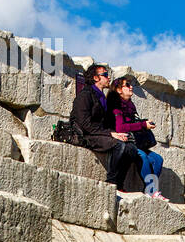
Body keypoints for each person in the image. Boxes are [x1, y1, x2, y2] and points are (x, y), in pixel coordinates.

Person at [71, 63, 145, 193]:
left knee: (131, 148)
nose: (108, 78)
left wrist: (114, 133)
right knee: (119, 145)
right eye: (105, 75)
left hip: (99, 133)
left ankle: (120, 184)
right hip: (86, 135)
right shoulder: (85, 95)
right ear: (95, 78)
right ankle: (111, 181)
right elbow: (84, 124)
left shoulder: (101, 97)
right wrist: (111, 134)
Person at [108, 76, 168, 200]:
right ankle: (152, 191)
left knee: (157, 159)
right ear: (119, 90)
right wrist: (142, 125)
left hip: (136, 141)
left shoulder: (130, 105)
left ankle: (150, 190)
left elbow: (132, 123)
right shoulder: (116, 105)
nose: (131, 87)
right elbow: (120, 128)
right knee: (143, 157)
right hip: (125, 142)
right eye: (127, 85)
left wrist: (144, 123)